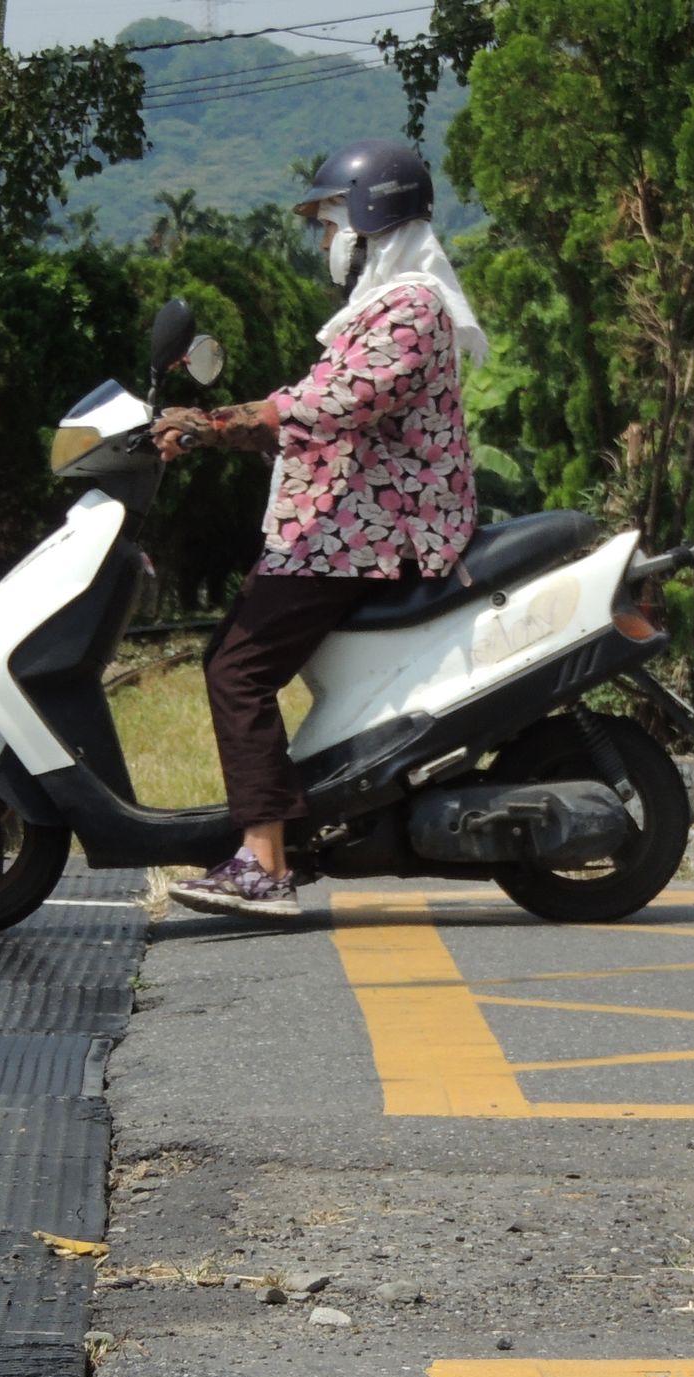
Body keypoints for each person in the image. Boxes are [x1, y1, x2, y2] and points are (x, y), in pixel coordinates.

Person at [152, 139, 488, 921]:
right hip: (346, 525)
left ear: (370, 219)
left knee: (237, 668)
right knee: (235, 655)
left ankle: (264, 860)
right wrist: (219, 426)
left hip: (372, 531)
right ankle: (285, 831)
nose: (326, 241)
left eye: (331, 221)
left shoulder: (410, 308)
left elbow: (338, 403)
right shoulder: (379, 306)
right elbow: (311, 403)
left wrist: (220, 423)